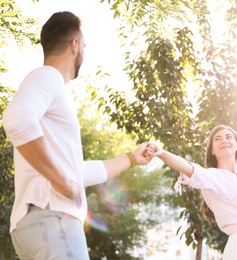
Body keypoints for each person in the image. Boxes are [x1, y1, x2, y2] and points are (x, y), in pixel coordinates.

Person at [2, 11, 154, 260]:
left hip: (34, 226)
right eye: (84, 43)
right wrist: (62, 182)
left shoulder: (49, 89)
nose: (84, 48)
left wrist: (131, 158)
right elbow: (16, 120)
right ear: (75, 44)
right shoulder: (47, 77)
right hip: (54, 219)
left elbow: (77, 172)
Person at [152, 104, 237, 259]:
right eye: (218, 139)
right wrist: (161, 153)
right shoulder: (213, 177)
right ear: (212, 150)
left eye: (229, 137)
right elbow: (188, 167)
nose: (224, 140)